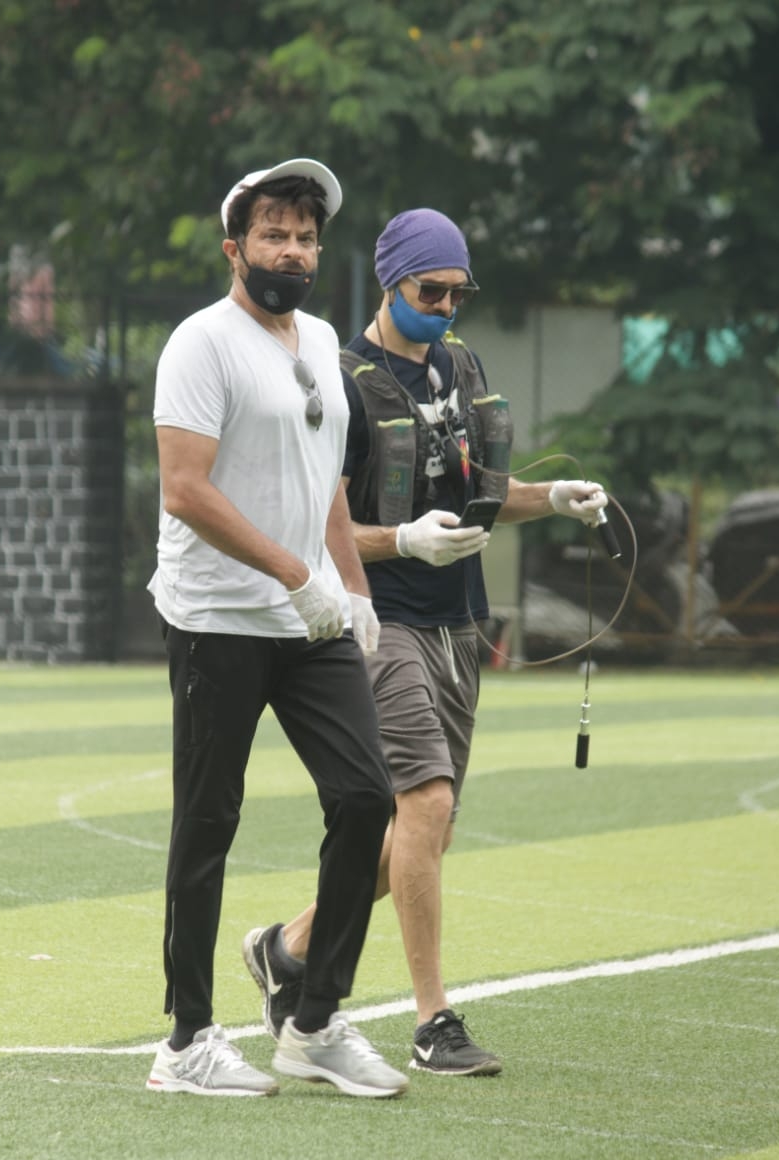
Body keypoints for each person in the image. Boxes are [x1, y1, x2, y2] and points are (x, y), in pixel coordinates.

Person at [243, 208, 609, 1076]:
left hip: (458, 618)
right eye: (428, 291)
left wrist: (552, 498)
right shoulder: (338, 380)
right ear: (389, 282)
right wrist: (401, 541)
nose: (444, 307)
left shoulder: (463, 366)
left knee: (423, 827)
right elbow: (313, 523)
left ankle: (286, 948)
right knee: (428, 803)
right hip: (380, 616)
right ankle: (430, 1018)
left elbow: (486, 492)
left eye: (456, 293)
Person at [145, 159, 408, 1099]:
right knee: (208, 820)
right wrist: (297, 576)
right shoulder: (200, 344)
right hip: (219, 616)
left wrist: (352, 587)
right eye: (274, 235)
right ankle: (185, 1043)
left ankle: (313, 1020)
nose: (291, 250)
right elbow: (185, 489)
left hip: (313, 621)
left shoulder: (324, 342)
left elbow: (327, 485)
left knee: (367, 798)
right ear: (235, 248)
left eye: (304, 236)